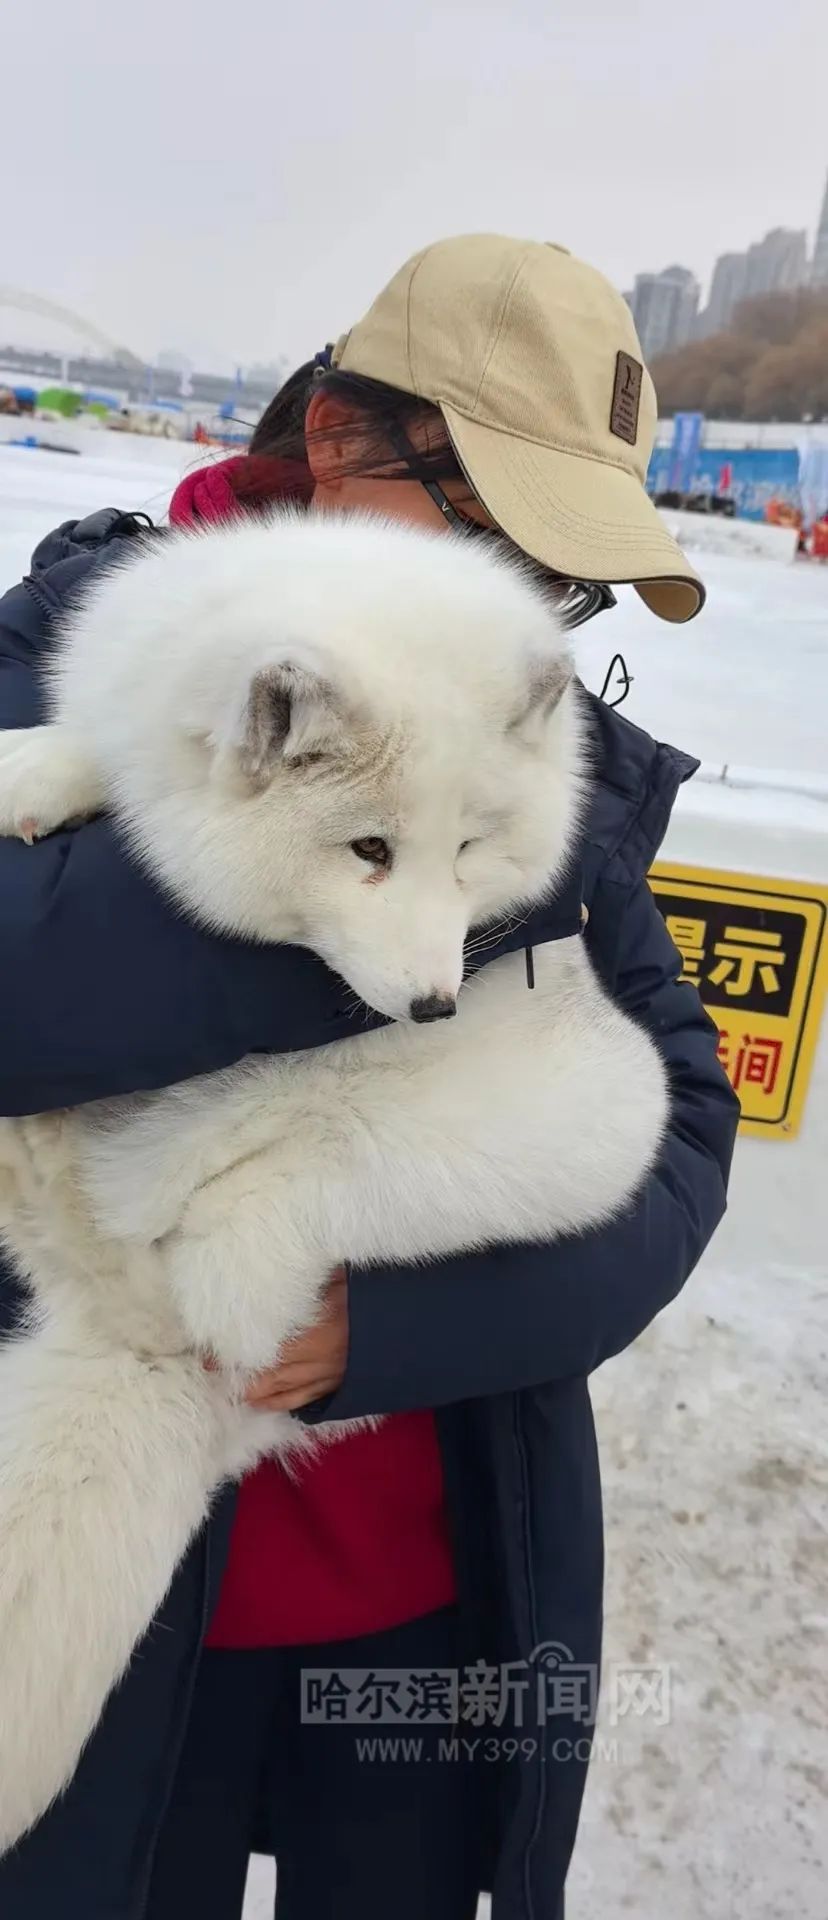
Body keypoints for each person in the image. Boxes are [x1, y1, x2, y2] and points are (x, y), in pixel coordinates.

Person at [0, 235, 738, 1920]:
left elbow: (684, 1136)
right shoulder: (67, 645)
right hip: (102, 1601)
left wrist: (392, 1335)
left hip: (424, 1589)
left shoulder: (533, 728)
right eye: (493, 536)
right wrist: (322, 864)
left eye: (568, 584)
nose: (521, 614)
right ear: (336, 440)